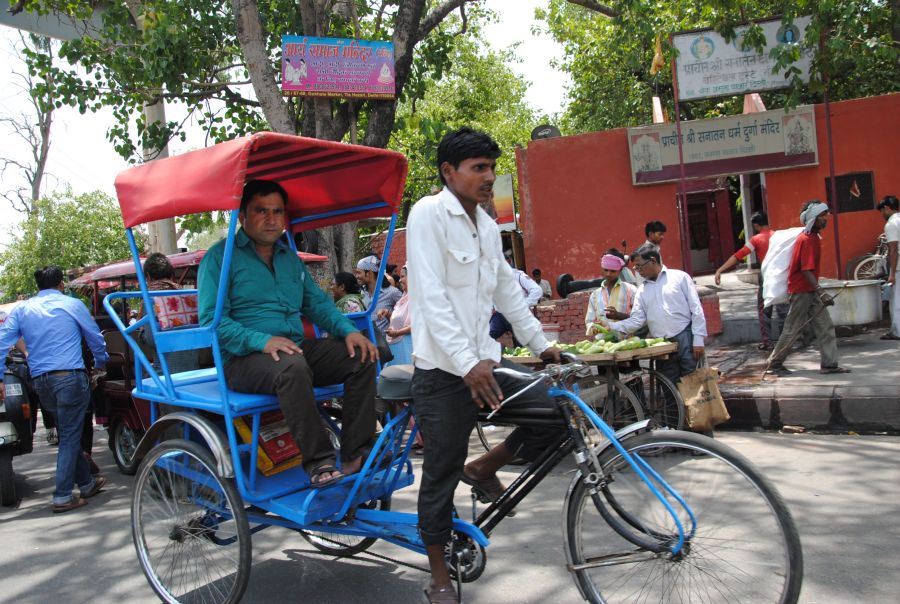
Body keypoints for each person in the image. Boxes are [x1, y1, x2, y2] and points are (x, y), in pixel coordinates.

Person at [407, 127, 562, 603]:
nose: (489, 177)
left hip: (483, 365)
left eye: (492, 168)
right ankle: (437, 571)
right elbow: (430, 299)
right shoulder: (428, 215)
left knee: (556, 416)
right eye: (479, 168)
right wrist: (466, 363)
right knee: (440, 469)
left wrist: (543, 345)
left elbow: (506, 293)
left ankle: (485, 466)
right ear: (448, 171)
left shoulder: (489, 227)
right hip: (441, 372)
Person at [198, 179, 378, 488]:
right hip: (242, 360)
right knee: (293, 367)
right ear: (242, 216)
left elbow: (318, 304)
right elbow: (212, 323)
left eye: (277, 212)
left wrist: (348, 331)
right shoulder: (219, 258)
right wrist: (262, 341)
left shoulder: (288, 259)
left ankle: (354, 455)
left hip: (292, 349)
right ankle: (320, 462)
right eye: (261, 211)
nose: (271, 220)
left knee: (361, 355)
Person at [0, 266, 109, 513]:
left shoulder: (22, 309)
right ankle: (62, 496)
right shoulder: (72, 305)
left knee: (67, 431)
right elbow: (95, 339)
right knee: (69, 436)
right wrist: (101, 364)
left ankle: (88, 482)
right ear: (61, 284)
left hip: (42, 382)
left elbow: (2, 341)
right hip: (70, 377)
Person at [767, 201, 850, 375]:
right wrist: (821, 292)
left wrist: (817, 291)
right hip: (801, 291)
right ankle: (775, 363)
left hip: (809, 290)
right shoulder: (807, 239)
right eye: (821, 216)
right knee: (792, 328)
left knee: (825, 325)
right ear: (813, 219)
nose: (825, 219)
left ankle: (829, 364)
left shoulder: (812, 237)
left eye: (825, 215)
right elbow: (806, 270)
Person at [608, 248, 707, 386]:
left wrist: (698, 339)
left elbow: (696, 309)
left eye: (639, 265)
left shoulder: (680, 277)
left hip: (686, 337)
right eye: (635, 267)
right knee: (669, 387)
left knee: (695, 384)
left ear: (653, 260)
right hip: (661, 344)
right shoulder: (642, 290)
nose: (638, 270)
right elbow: (637, 320)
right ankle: (675, 408)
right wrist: (611, 327)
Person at [714, 212, 787, 349]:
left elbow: (738, 256)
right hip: (781, 275)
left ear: (756, 225)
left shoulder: (756, 239)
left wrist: (720, 270)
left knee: (764, 308)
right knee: (783, 307)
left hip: (766, 276)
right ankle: (786, 341)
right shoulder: (778, 236)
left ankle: (768, 342)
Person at [139, 252, 200, 374]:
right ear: (171, 275)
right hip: (192, 368)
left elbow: (152, 340)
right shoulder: (187, 296)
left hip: (165, 371)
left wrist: (141, 333)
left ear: (148, 277)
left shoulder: (150, 299)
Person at [585, 251, 638, 335]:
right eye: (605, 270)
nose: (608, 274)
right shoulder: (595, 295)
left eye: (613, 271)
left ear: (620, 270)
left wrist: (619, 316)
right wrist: (594, 327)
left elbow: (639, 320)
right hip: (603, 345)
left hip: (626, 343)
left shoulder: (631, 290)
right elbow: (589, 321)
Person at [488, 266, 543, 346]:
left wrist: (524, 304)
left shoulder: (518, 276)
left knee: (523, 343)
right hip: (500, 315)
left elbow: (537, 290)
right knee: (488, 337)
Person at [376, 265, 413, 366]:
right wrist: (387, 313)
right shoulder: (403, 299)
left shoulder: (417, 299)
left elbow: (418, 325)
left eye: (402, 277)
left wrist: (397, 332)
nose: (399, 280)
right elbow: (399, 321)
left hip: (408, 350)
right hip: (397, 348)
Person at [357, 255, 402, 330]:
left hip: (386, 340)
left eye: (359, 273)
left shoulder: (392, 292)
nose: (357, 276)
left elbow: (406, 314)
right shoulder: (361, 293)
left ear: (369, 273)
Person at [877, 195, 899, 340]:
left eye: (882, 211)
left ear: (887, 208)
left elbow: (893, 249)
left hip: (899, 268)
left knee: (896, 300)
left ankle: (897, 332)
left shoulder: (891, 224)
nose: (882, 215)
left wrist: (891, 273)